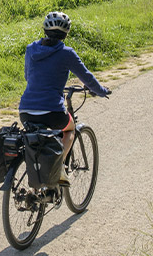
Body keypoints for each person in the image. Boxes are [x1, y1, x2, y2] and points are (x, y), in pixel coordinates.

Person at [19, 11, 110, 186]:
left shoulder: (31, 49)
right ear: (66, 34)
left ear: (44, 30)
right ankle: (58, 166)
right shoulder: (66, 53)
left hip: (26, 110)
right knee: (69, 130)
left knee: (36, 139)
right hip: (53, 110)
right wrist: (100, 91)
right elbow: (87, 77)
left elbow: (28, 77)